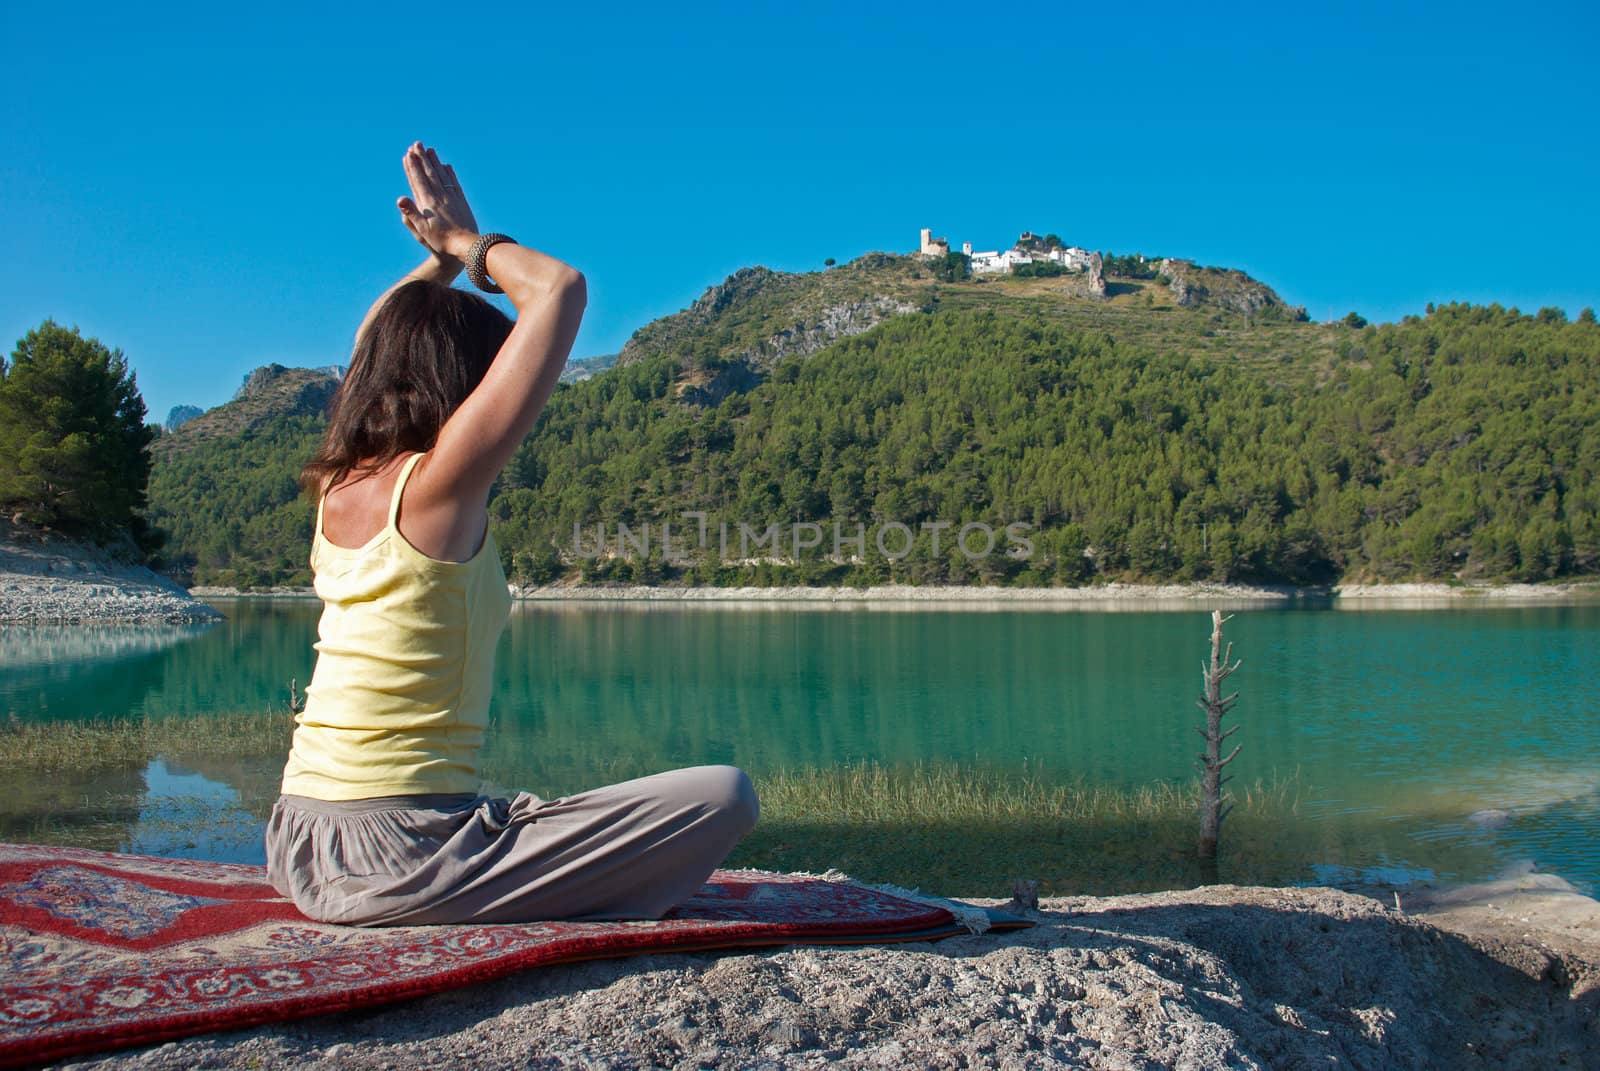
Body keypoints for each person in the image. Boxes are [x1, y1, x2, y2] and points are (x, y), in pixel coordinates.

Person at [265, 142, 758, 926]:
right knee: (726, 796)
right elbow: (559, 290)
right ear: (461, 383)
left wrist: (434, 270)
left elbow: (371, 343)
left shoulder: (339, 483)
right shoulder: (436, 492)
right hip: (399, 853)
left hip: (297, 834)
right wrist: (467, 246)